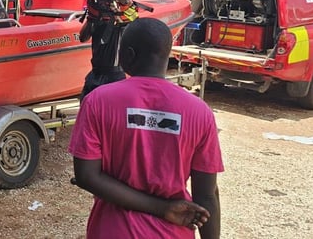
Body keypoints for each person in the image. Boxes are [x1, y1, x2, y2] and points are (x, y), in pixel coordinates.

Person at [69, 17, 223, 239]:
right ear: (166, 55)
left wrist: (161, 208)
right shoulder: (199, 112)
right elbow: (207, 197)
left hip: (112, 232)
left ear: (128, 55)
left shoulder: (97, 101)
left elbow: (86, 176)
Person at [78, 0, 137, 101]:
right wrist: (93, 18)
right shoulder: (97, 15)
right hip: (95, 74)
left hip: (114, 77)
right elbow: (82, 37)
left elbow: (126, 1)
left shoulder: (124, 16)